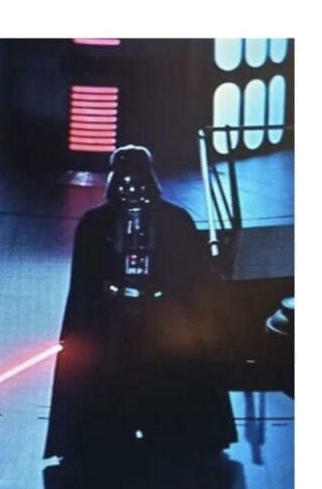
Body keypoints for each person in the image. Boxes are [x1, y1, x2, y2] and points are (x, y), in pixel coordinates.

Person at [45, 145, 237, 464]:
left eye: (137, 181)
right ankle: (106, 436)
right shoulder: (96, 223)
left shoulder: (174, 220)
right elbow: (86, 280)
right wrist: (112, 293)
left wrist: (162, 294)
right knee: (110, 375)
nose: (131, 189)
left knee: (166, 373)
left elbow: (191, 273)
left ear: (149, 179)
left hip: (162, 318)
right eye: (124, 181)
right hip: (113, 319)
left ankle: (170, 434)